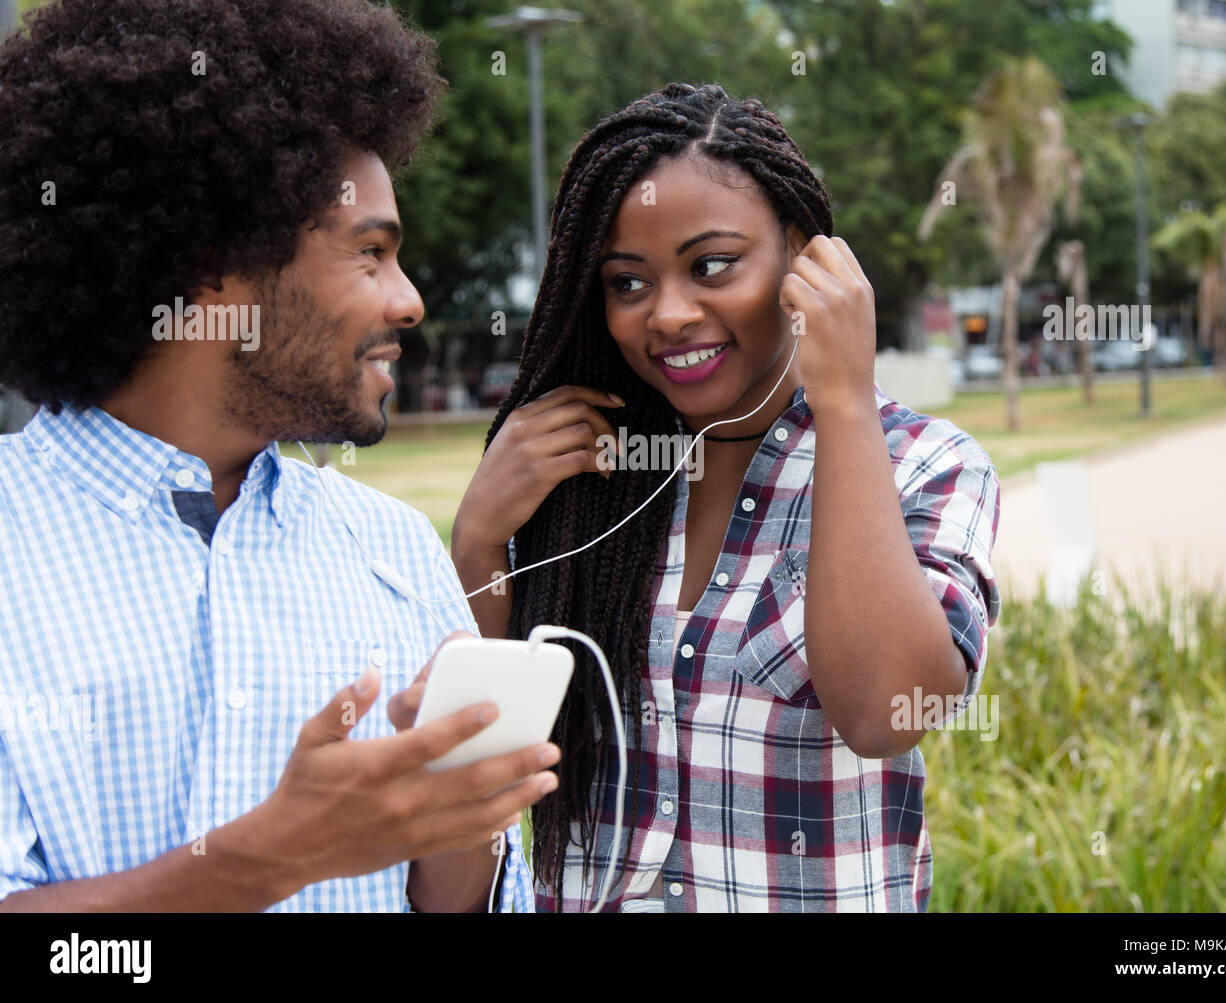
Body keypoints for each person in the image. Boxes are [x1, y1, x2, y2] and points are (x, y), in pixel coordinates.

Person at [0, 0, 558, 912]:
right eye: (369, 253)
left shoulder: (394, 551)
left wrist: (461, 814)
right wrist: (269, 855)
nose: (410, 300)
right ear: (211, 264)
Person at [452, 83, 1002, 912]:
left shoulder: (924, 464)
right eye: (627, 283)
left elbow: (889, 711)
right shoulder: (589, 480)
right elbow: (479, 744)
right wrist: (480, 539)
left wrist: (844, 399)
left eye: (712, 265)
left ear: (804, 255)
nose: (668, 314)